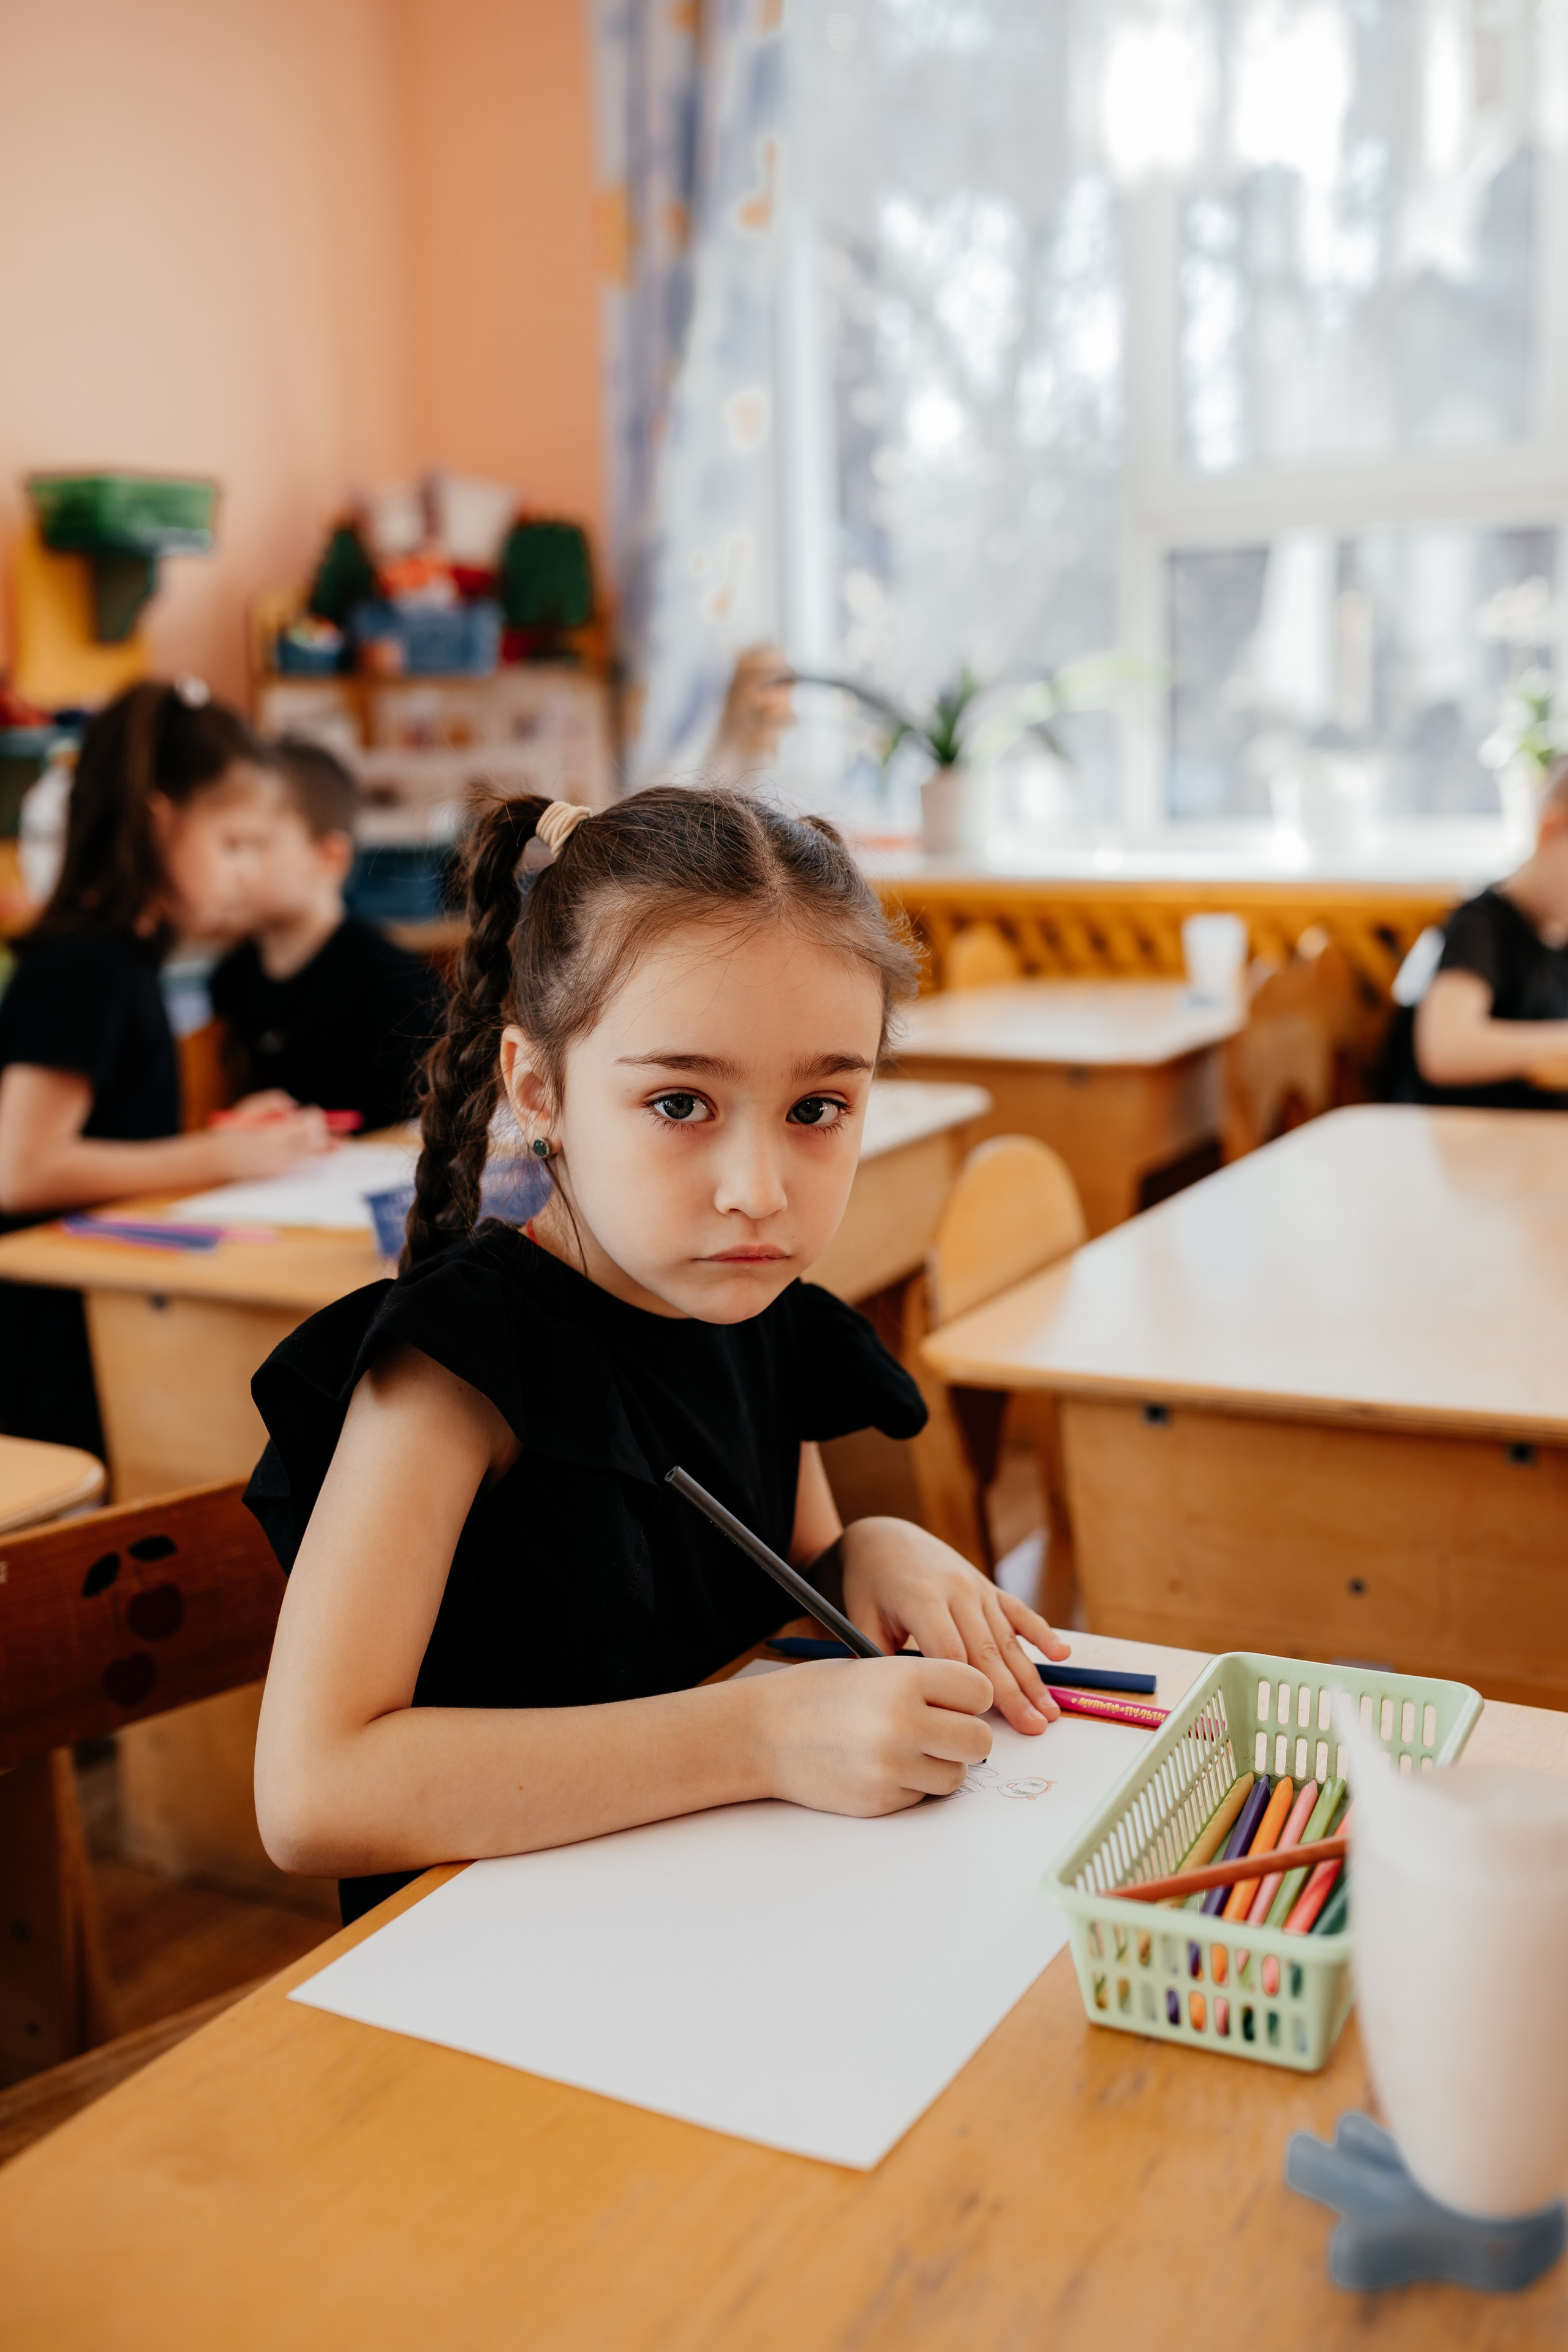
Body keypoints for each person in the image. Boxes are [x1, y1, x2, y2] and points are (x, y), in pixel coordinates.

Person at [249, 786, 1072, 1923]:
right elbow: (312, 1793)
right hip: (488, 1980)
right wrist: (757, 1736)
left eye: (820, 1107)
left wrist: (870, 1555)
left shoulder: (753, 1308)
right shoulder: (452, 1370)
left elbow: (785, 1577)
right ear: (539, 1089)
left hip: (715, 1927)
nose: (759, 1191)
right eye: (682, 1102)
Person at [0, 680, 328, 1454]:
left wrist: (219, 1137)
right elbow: (19, 1166)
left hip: (89, 1314)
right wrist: (217, 1156)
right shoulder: (86, 966)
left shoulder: (125, 962)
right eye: (233, 844)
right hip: (45, 1347)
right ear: (159, 822)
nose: (247, 872)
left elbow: (103, 1135)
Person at [209, 737, 447, 1135]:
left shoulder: (398, 989)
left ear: (329, 857)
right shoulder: (231, 980)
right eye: (229, 844)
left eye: (255, 844)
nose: (235, 867)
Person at [1409, 758, 1568, 1106]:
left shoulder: (1559, 936)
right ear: (1550, 831)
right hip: (1456, 1141)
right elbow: (1446, 1050)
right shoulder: (1483, 925)